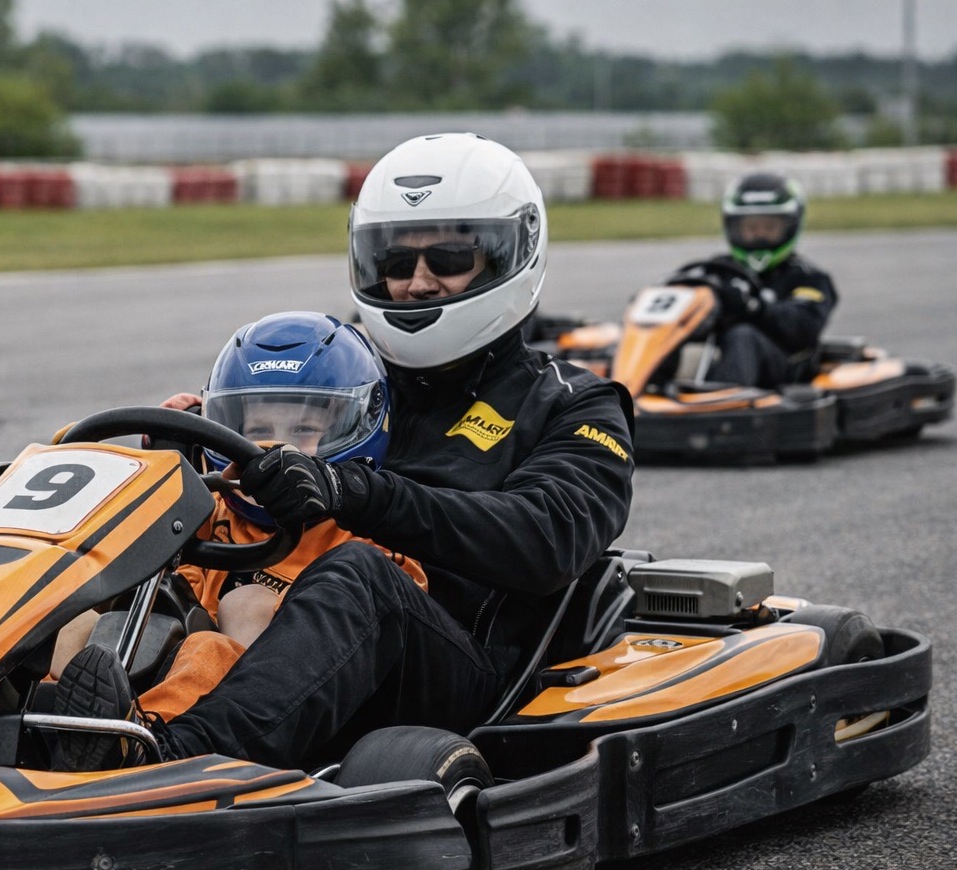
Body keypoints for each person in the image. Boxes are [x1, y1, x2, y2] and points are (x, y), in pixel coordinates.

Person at [50, 132, 636, 772]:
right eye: (395, 261)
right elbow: (246, 438)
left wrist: (350, 491)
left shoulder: (570, 402)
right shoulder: (336, 369)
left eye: (447, 257)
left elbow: (547, 539)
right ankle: (8, 711)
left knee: (357, 574)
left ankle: (166, 758)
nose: (416, 283)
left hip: (447, 667)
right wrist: (192, 450)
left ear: (508, 256)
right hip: (264, 613)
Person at [46, 312, 428, 768]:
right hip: (150, 659)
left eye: (303, 431)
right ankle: (44, 726)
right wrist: (144, 451)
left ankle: (135, 744)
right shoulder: (210, 505)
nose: (272, 449)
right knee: (77, 620)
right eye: (258, 432)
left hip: (266, 705)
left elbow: (383, 616)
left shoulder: (365, 539)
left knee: (234, 617)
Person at [699, 171, 838, 389]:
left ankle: (719, 402)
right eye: (751, 228)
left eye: (769, 228)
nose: (759, 235)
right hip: (717, 360)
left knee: (743, 336)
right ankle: (647, 390)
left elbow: (803, 327)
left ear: (790, 226)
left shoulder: (807, 277)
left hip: (784, 370)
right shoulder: (717, 270)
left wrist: (754, 306)